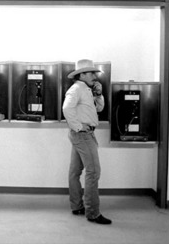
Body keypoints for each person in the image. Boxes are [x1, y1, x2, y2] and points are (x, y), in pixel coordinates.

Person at [62, 59, 112, 225]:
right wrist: (77, 127)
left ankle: (77, 206)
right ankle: (92, 212)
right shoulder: (77, 89)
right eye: (91, 73)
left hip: (83, 134)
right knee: (93, 172)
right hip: (82, 135)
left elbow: (99, 109)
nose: (94, 76)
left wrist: (98, 94)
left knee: (75, 171)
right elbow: (66, 108)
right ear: (81, 74)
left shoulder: (86, 90)